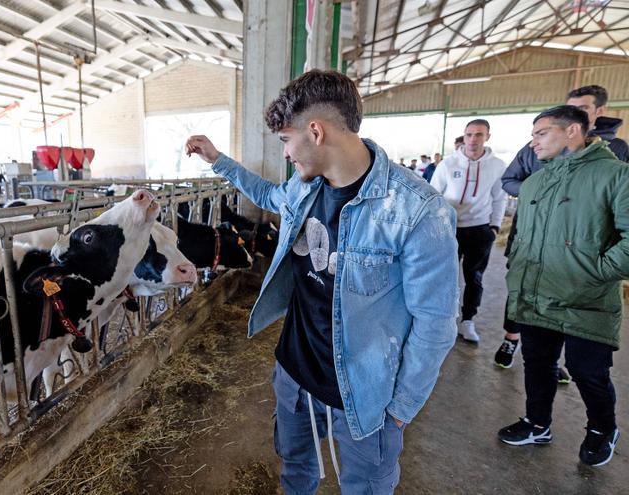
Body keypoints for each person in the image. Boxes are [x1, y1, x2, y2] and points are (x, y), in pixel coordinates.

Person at [185, 69, 459, 495]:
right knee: (295, 470)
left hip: (365, 393)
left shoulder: (418, 210)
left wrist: (403, 406)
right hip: (295, 370)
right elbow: (269, 195)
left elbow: (436, 321)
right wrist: (217, 160)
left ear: (315, 131)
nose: (287, 153)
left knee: (364, 487)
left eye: (285, 141)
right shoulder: (303, 187)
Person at [497, 105, 628, 467]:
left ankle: (602, 428)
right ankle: (538, 423)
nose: (533, 142)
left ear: (572, 131)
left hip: (586, 298)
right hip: (535, 293)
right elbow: (524, 237)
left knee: (588, 371)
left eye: (540, 133)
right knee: (538, 363)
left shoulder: (616, 176)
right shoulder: (537, 180)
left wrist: (597, 271)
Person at [494, 84, 629, 371]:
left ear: (598, 112)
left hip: (582, 252)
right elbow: (510, 180)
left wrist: (602, 267)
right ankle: (513, 337)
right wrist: (539, 195)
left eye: (582, 109)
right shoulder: (536, 148)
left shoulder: (616, 153)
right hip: (533, 241)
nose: (573, 114)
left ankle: (566, 361)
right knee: (524, 292)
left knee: (585, 361)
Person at [430, 119, 507, 343]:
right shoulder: (448, 164)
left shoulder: (497, 166)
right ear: (464, 137)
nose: (473, 139)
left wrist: (494, 227)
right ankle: (445, 319)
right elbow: (434, 195)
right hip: (449, 229)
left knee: (474, 277)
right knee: (445, 276)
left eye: (479, 135)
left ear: (487, 137)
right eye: (469, 134)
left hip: (480, 229)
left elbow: (499, 198)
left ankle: (468, 320)